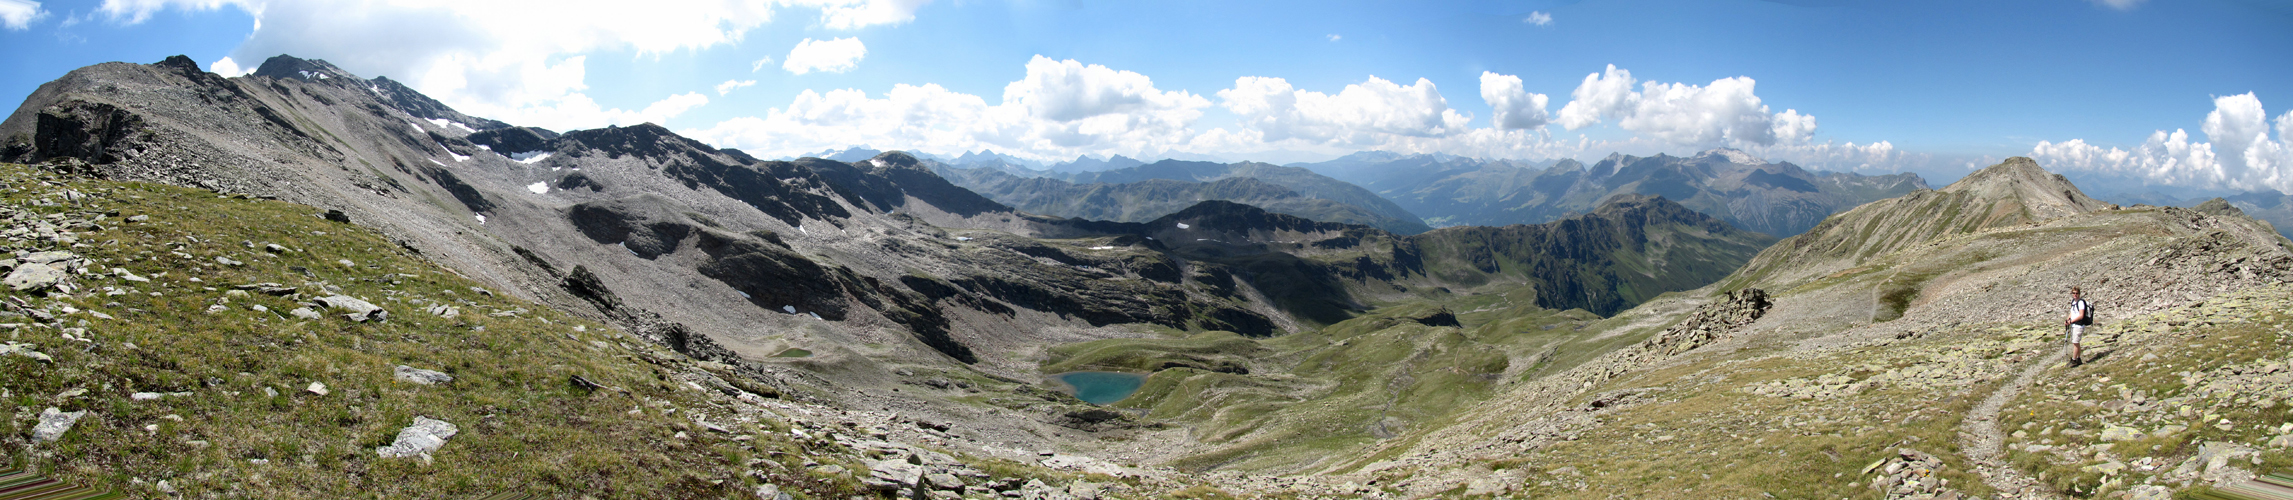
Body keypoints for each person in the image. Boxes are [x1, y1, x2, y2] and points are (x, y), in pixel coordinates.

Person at [2065, 287, 2092, 366]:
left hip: (2079, 325)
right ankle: (2078, 358)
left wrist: (2071, 321)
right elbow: (2072, 312)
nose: (2075, 295)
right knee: (2076, 342)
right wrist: (2068, 319)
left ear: (2079, 294)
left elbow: (2081, 315)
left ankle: (2074, 360)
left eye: (2076, 293)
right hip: (2074, 324)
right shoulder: (2073, 301)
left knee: (2075, 342)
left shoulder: (2080, 303)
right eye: (2073, 293)